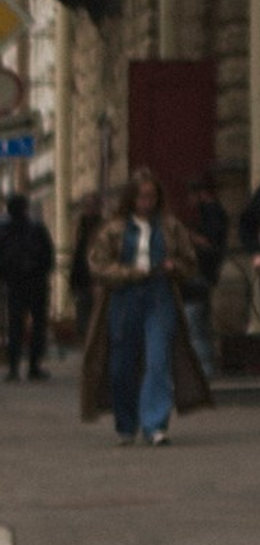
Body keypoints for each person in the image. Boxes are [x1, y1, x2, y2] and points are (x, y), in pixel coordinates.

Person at [82, 166, 212, 445]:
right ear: (131, 199)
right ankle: (127, 425)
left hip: (159, 294)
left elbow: (189, 262)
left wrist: (172, 265)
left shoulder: (170, 226)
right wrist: (130, 272)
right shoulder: (114, 228)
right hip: (123, 298)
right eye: (141, 197)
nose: (146, 203)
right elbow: (98, 264)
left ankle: (155, 425)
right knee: (122, 365)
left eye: (151, 197)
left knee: (158, 359)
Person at [0, 192, 56, 382]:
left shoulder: (5, 233)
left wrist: (6, 278)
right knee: (37, 326)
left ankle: (14, 369)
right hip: (35, 284)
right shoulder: (37, 229)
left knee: (15, 327)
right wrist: (42, 272)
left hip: (16, 285)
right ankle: (33, 367)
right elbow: (48, 256)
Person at [176, 171, 230, 387]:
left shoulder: (213, 212)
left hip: (202, 272)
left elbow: (210, 243)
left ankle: (204, 371)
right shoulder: (209, 211)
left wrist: (190, 236)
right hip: (203, 272)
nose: (189, 201)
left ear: (200, 193)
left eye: (191, 195)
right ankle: (204, 368)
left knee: (194, 321)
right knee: (198, 321)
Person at [68, 193, 103, 352]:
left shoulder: (103, 228)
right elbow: (77, 255)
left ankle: (95, 350)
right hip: (81, 280)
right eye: (86, 206)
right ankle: (87, 350)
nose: (89, 210)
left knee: (97, 321)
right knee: (83, 319)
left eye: (92, 206)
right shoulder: (79, 227)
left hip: (96, 281)